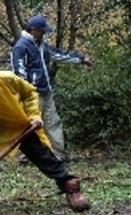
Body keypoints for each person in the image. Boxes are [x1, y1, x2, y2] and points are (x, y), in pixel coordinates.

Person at [0, 54, 91, 212]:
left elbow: (29, 94)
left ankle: (70, 186)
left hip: (18, 125)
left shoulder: (6, 79)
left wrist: (34, 115)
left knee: (42, 155)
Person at [11, 15, 93, 161]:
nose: (44, 33)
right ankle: (26, 156)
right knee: (31, 125)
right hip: (32, 94)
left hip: (46, 91)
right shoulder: (20, 47)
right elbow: (18, 72)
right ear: (34, 30)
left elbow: (59, 55)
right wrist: (27, 91)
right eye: (42, 31)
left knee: (53, 121)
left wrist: (81, 59)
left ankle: (59, 154)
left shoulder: (42, 45)